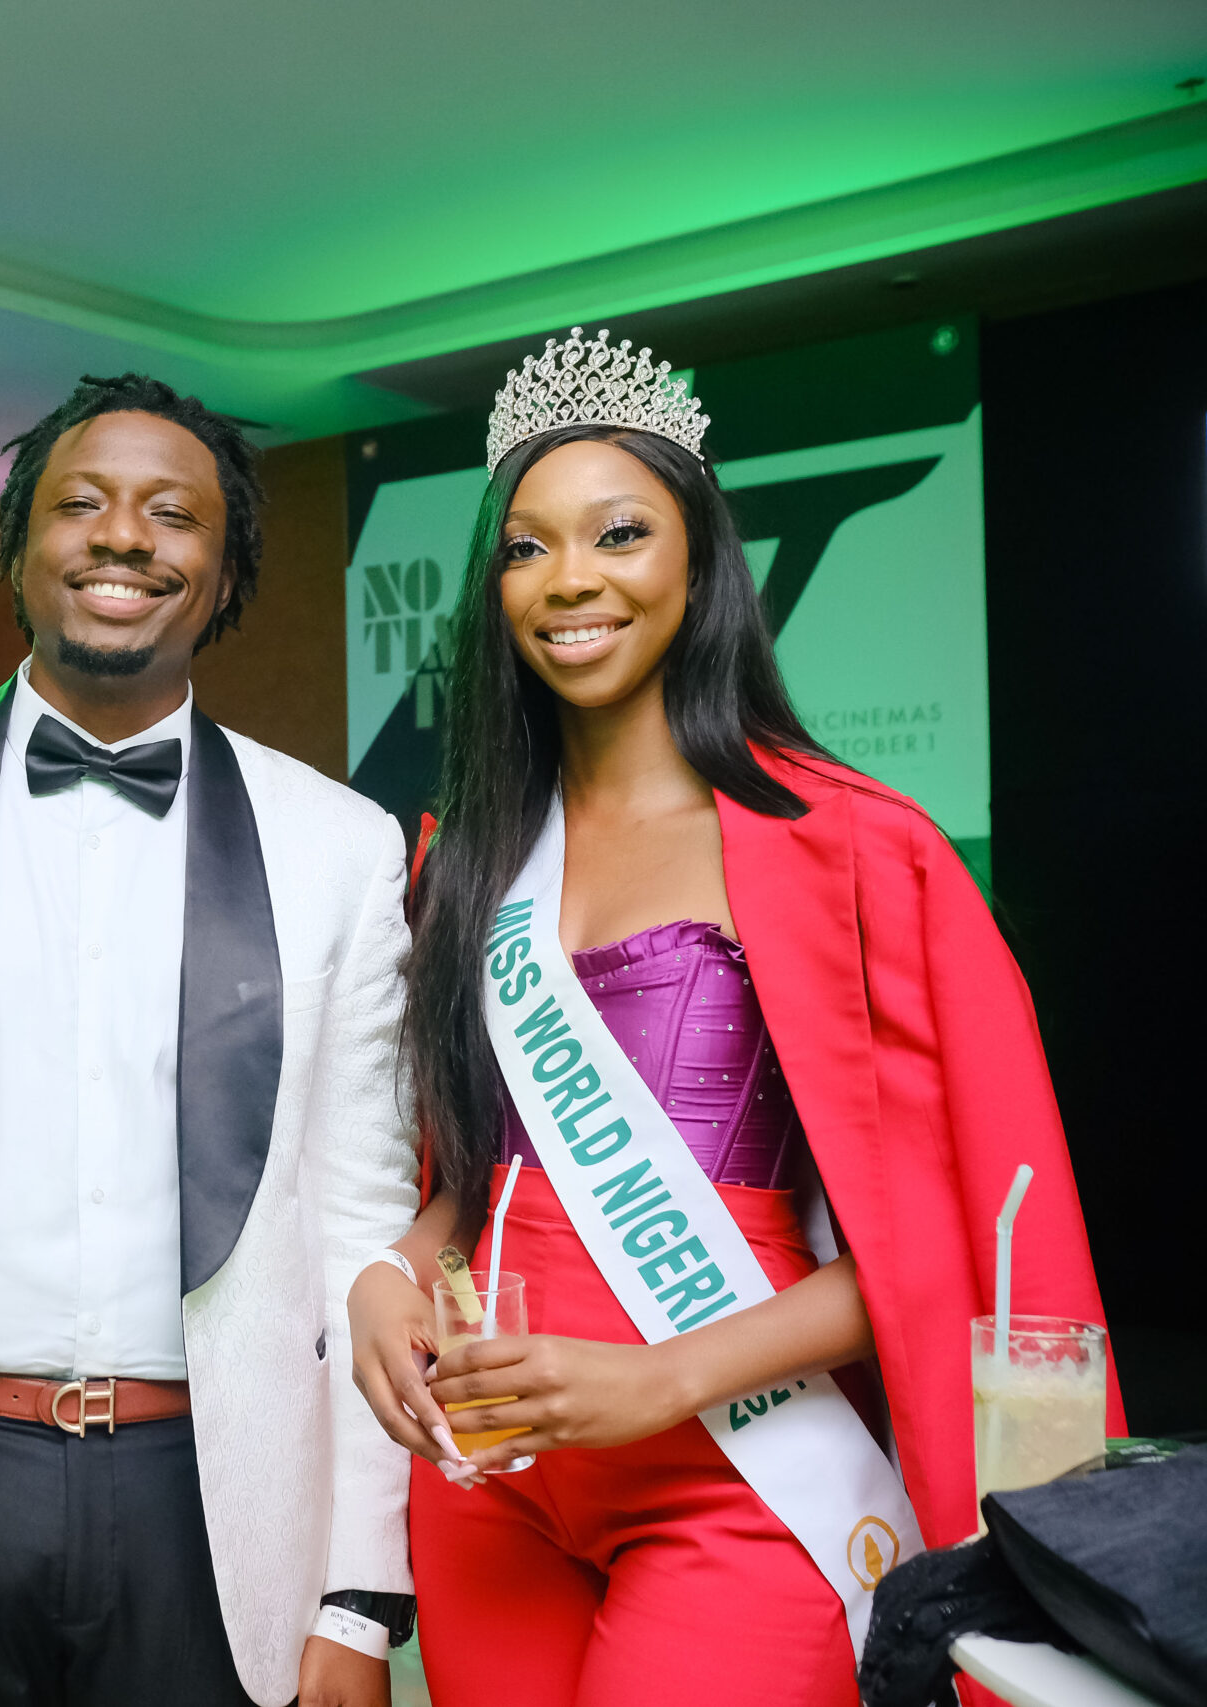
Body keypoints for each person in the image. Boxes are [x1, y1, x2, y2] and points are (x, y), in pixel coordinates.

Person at [345, 330, 1122, 1707]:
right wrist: (388, 1273)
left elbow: (938, 1239)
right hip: (492, 1473)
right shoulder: (464, 862)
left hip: (739, 1466)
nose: (569, 578)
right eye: (526, 547)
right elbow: (471, 1175)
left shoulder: (855, 851)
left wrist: (662, 1379)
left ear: (700, 562)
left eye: (620, 533)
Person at [0, 373, 419, 1707]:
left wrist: (357, 1595)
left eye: (173, 514)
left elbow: (366, 1233)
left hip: (216, 1506)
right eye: (82, 503)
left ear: (225, 573)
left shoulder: (337, 846)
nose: (125, 535)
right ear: (17, 545)